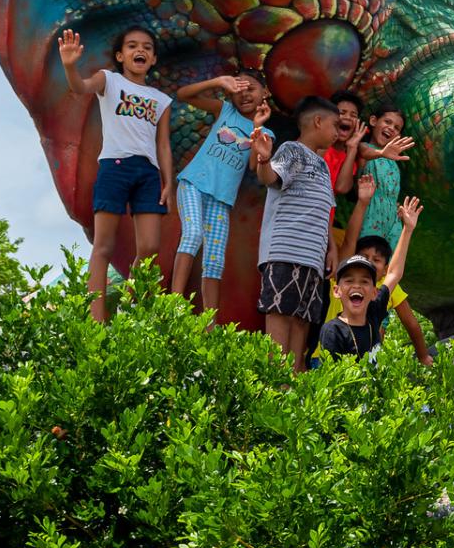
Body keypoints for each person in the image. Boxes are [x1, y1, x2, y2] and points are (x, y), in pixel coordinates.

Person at [58, 25, 174, 323]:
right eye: (133, 46)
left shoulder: (160, 100)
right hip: (115, 166)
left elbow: (163, 143)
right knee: (104, 245)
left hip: (148, 173)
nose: (140, 51)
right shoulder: (109, 80)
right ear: (121, 55)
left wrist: (168, 181)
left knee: (149, 247)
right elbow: (80, 87)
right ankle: (96, 320)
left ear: (153, 59)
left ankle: (129, 307)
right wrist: (70, 66)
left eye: (147, 47)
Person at [249, 96, 339, 369]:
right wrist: (264, 160)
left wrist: (331, 248)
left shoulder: (322, 166)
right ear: (318, 121)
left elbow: (322, 211)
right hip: (285, 253)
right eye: (335, 125)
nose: (337, 133)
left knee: (301, 324)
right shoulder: (292, 150)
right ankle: (274, 389)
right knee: (280, 319)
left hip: (312, 260)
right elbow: (270, 179)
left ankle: (292, 393)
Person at [170, 72, 272, 310]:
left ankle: (210, 325)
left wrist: (257, 129)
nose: (245, 95)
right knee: (193, 235)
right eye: (239, 89)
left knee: (215, 261)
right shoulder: (225, 111)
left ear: (265, 92)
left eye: (252, 89)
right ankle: (171, 303)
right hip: (194, 184)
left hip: (221, 200)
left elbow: (254, 168)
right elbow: (183, 95)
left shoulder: (267, 135)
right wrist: (217, 82)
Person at [321, 197, 425, 361]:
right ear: (337, 290)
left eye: (364, 281)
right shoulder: (332, 331)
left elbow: (393, 274)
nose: (357, 286)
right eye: (349, 280)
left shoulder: (374, 314)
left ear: (375, 292)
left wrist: (408, 229)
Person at [349, 230, 437, 365]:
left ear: (385, 270)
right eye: (364, 256)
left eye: (376, 259)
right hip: (342, 342)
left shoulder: (389, 287)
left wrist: (423, 356)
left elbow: (411, 323)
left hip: (371, 351)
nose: (370, 262)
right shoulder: (346, 282)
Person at [353, 103, 415, 250]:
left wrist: (397, 208)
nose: (391, 128)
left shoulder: (394, 161)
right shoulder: (365, 148)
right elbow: (364, 153)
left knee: (387, 263)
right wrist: (381, 153)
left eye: (396, 128)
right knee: (366, 256)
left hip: (393, 221)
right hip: (370, 215)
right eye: (387, 122)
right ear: (374, 121)